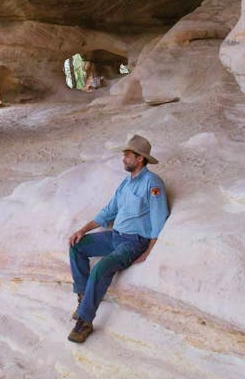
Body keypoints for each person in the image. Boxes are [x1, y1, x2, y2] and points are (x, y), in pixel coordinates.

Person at [67, 134, 169, 343]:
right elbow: (109, 210)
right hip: (114, 236)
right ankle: (83, 298)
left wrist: (148, 251)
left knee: (102, 268)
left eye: (127, 155)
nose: (123, 159)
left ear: (139, 158)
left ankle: (85, 321)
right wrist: (83, 230)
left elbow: (159, 220)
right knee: (77, 246)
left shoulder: (153, 183)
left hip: (133, 242)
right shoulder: (125, 183)